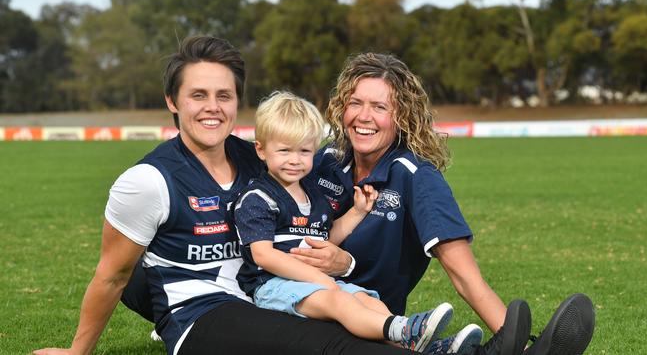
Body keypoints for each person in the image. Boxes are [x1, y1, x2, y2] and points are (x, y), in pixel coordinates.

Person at [32, 36, 532, 355]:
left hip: (254, 294)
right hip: (208, 310)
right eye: (197, 96)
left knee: (337, 318)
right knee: (325, 336)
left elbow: (319, 209)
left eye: (223, 96)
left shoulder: (262, 159)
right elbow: (116, 274)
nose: (212, 108)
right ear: (172, 102)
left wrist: (343, 259)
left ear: (238, 105)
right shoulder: (148, 181)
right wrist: (77, 354)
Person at [289, 52, 595, 355]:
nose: (363, 116)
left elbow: (463, 274)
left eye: (380, 107)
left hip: (372, 323)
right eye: (355, 103)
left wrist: (510, 335)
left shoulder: (416, 176)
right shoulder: (323, 161)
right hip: (296, 301)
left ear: (402, 117)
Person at [233, 91, 483, 354]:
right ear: (261, 150)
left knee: (367, 300)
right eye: (284, 151)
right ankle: (405, 331)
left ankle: (423, 345)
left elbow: (324, 240)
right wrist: (318, 278)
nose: (295, 160)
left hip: (313, 284)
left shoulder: (312, 195)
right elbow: (263, 256)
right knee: (340, 302)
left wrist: (358, 212)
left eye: (304, 151)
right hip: (272, 286)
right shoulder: (258, 197)